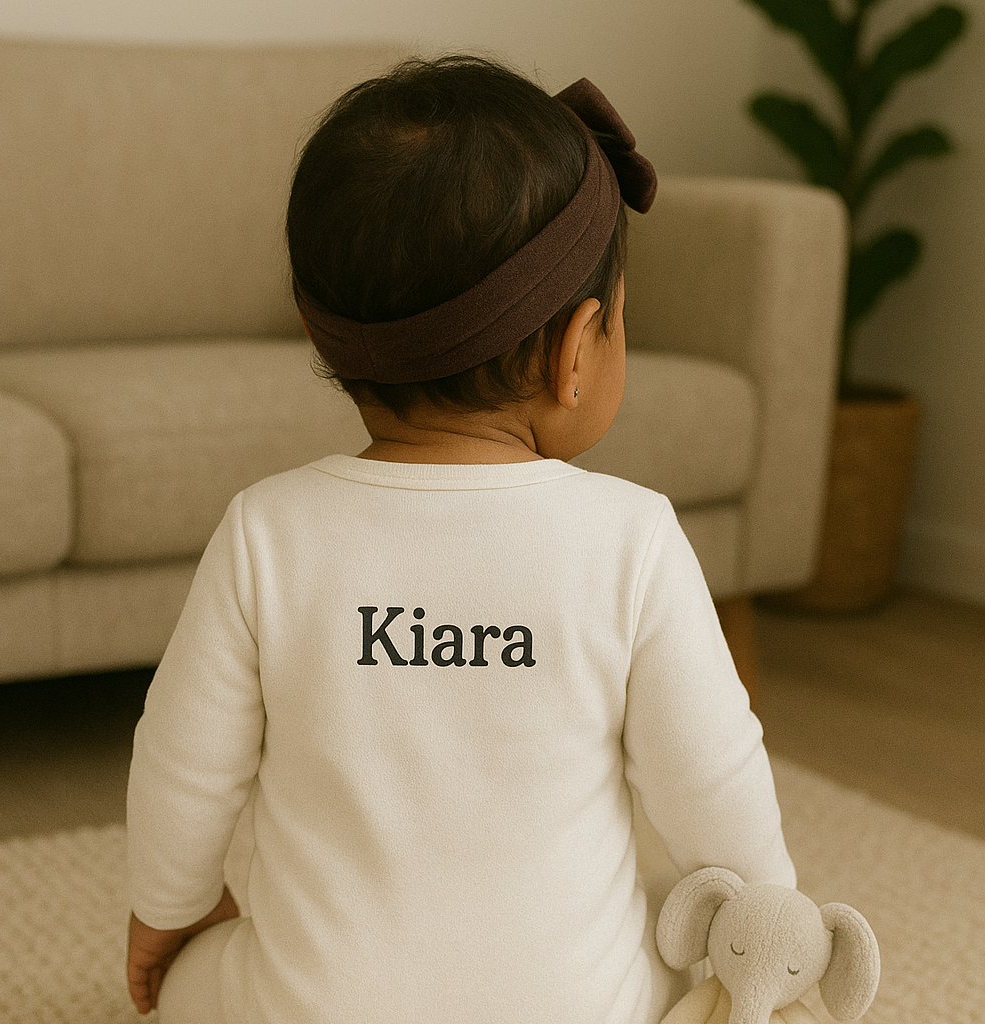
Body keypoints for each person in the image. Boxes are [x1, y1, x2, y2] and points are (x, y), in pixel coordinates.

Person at [126, 55, 796, 1024]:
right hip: (570, 1008)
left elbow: (183, 762)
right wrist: (770, 928)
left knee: (193, 978)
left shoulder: (266, 529)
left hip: (311, 1007)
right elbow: (712, 783)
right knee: (685, 937)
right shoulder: (631, 538)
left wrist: (172, 910)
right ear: (578, 351)